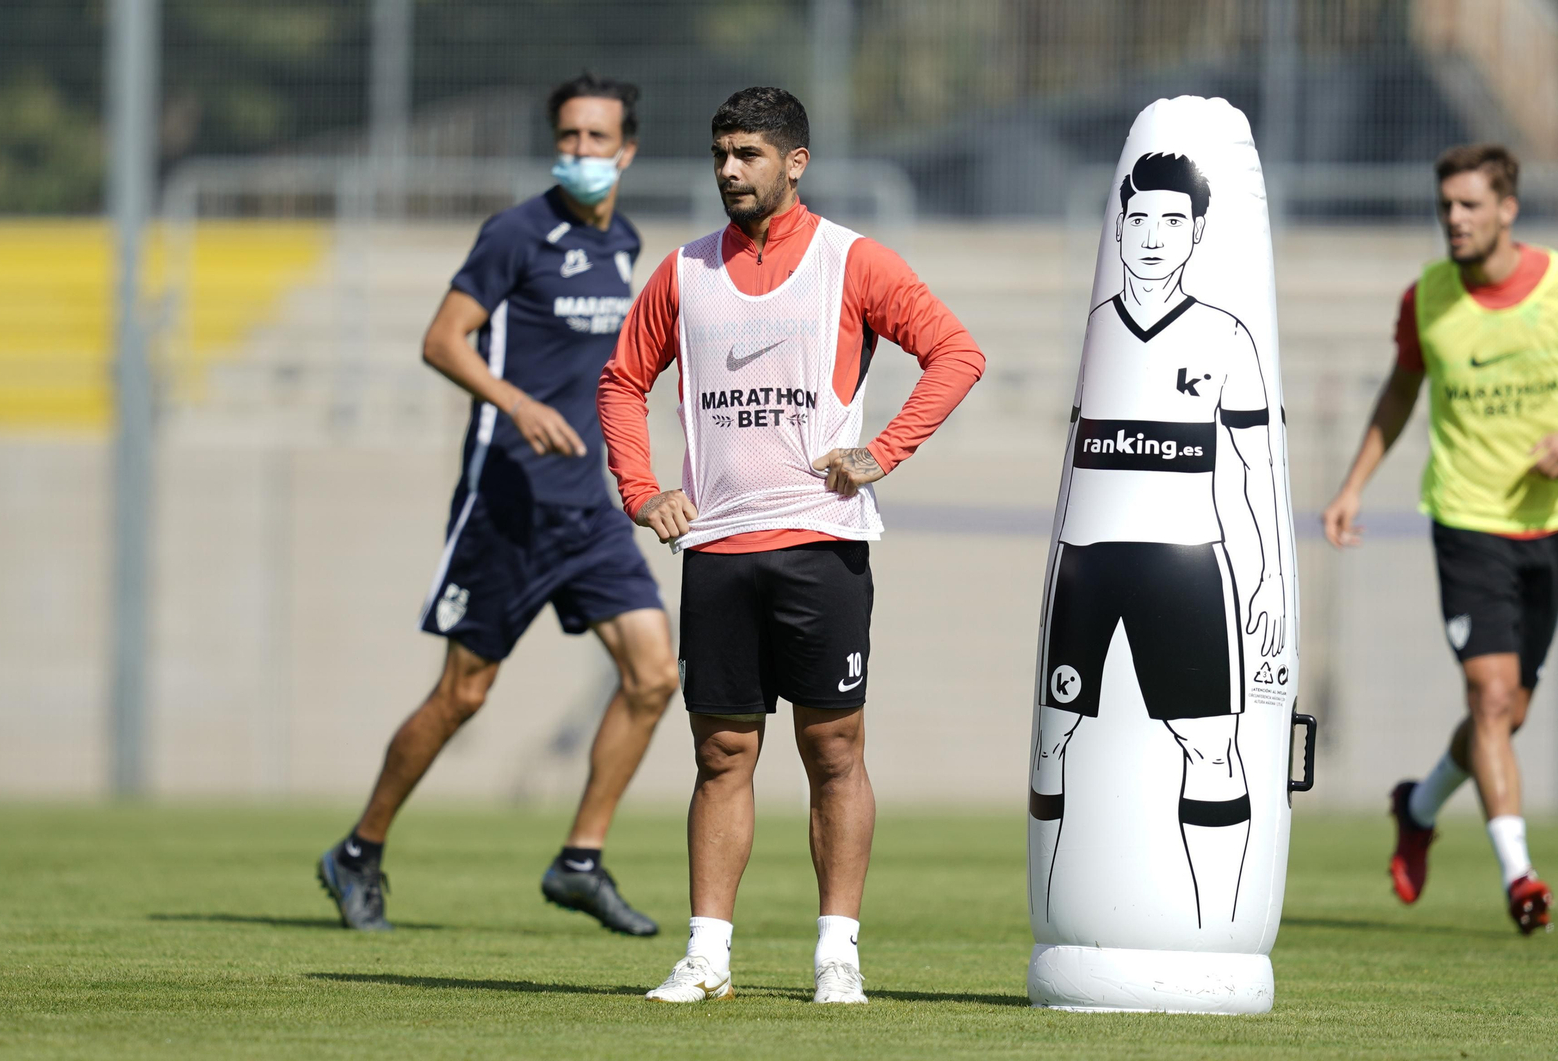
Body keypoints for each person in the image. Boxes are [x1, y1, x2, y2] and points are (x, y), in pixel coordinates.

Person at [597, 86, 985, 1004]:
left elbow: (956, 353)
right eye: (721, 153)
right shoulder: (684, 271)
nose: (730, 170)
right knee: (722, 755)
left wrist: (882, 451)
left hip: (822, 546)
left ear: (794, 162)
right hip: (720, 551)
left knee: (835, 752)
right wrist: (642, 490)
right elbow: (621, 381)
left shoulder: (853, 261)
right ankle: (707, 957)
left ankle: (836, 957)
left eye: (749, 155)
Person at [316, 73, 679, 937]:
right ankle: (359, 852)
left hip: (585, 508)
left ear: (627, 150)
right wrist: (515, 403)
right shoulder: (517, 232)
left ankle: (579, 861)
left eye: (598, 139)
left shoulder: (625, 241)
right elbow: (442, 339)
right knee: (463, 695)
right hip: (506, 500)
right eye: (569, 137)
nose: (581, 152)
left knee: (655, 675)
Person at [1031, 151, 1285, 929]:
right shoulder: (1097, 333)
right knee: (1054, 742)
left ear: (1197, 231)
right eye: (1137, 218)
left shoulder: (1226, 337)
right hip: (1087, 567)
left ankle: (1215, 931)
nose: (1150, 235)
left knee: (1211, 747)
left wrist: (1267, 577)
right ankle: (1054, 914)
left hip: (1184, 569)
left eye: (1171, 220)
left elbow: (1255, 468)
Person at [1322, 143, 1555, 935]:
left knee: (1508, 715)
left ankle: (1417, 807)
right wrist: (1354, 485)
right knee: (1489, 698)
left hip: (1548, 528)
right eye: (1445, 205)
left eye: (1468, 204)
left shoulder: (1555, 289)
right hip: (1466, 522)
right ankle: (1520, 876)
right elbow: (1401, 387)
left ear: (1507, 208)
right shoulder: (1427, 298)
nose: (1453, 218)